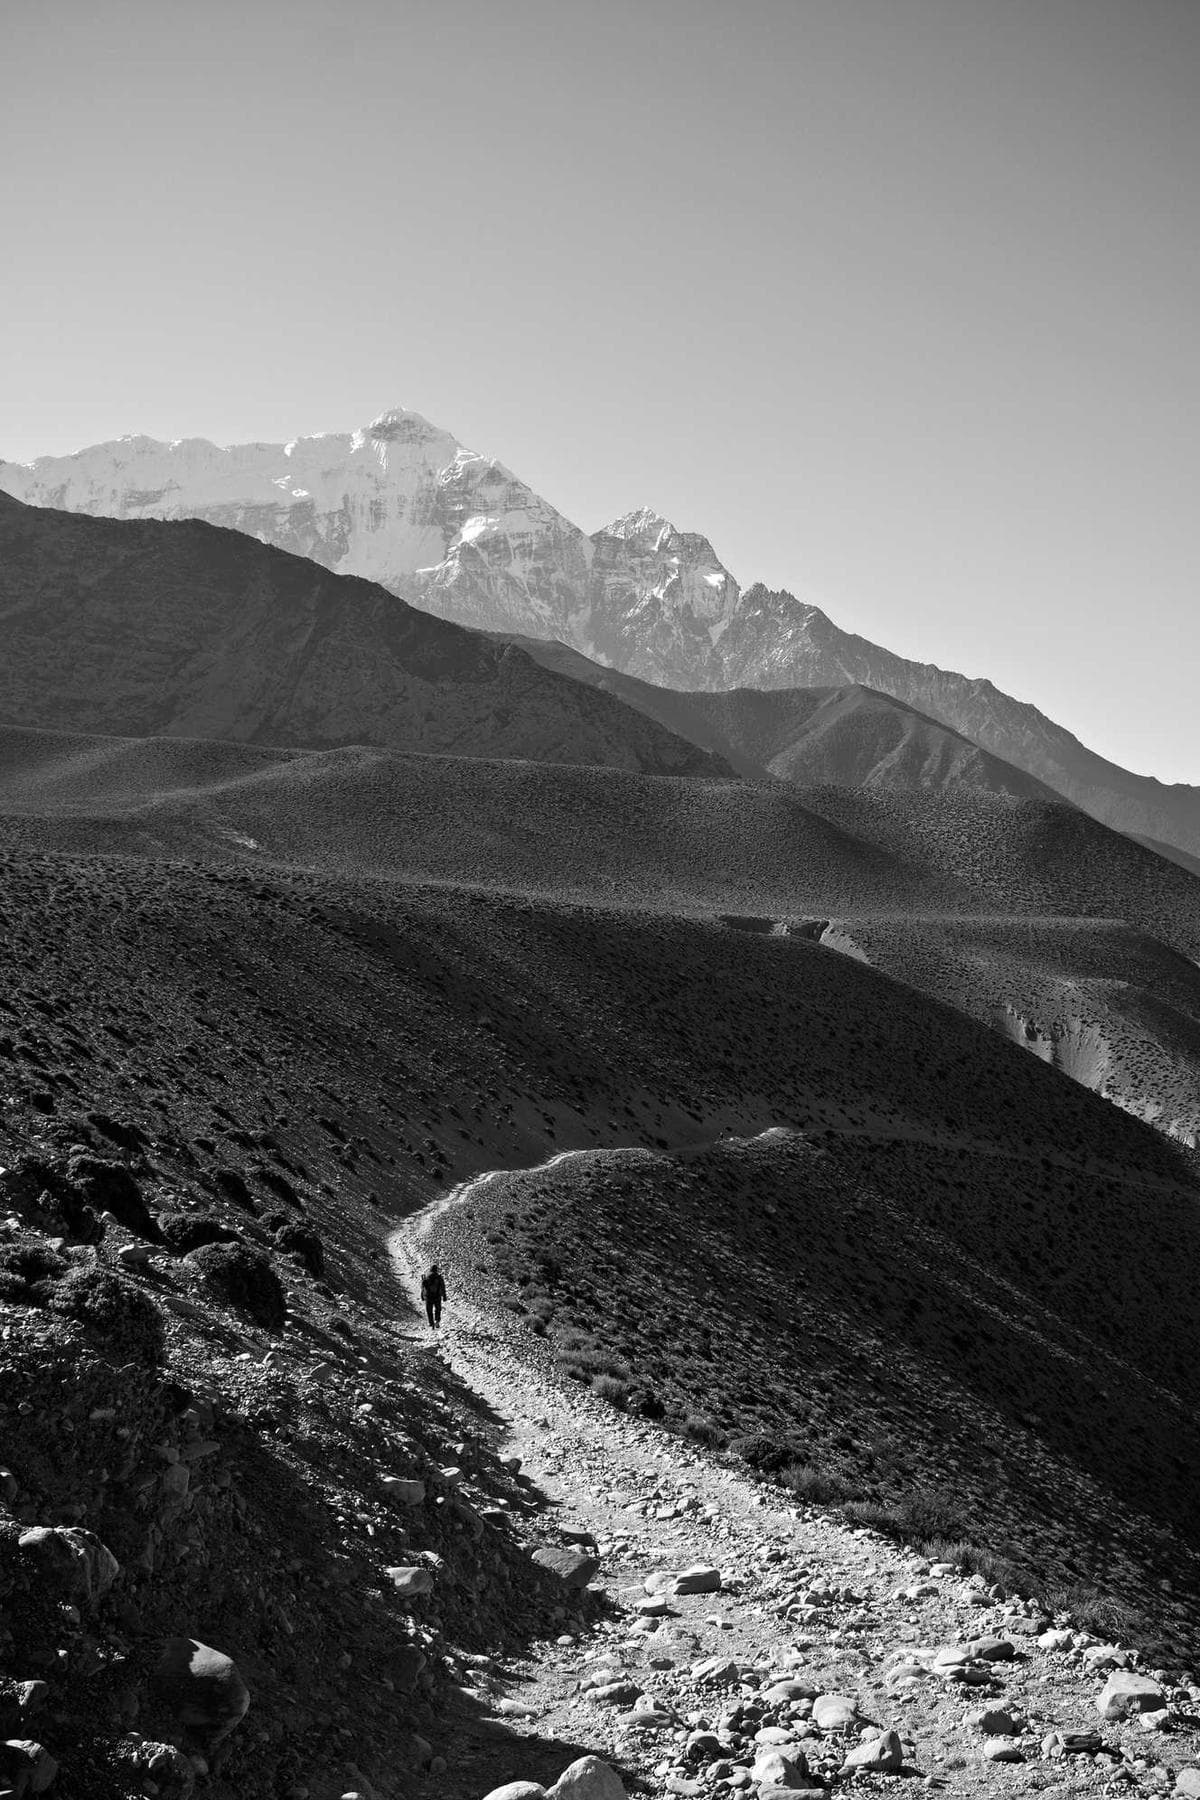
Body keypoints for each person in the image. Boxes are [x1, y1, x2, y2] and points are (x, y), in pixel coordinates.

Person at [420, 1262, 447, 1329]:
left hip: (428, 1296)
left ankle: (431, 1323)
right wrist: (444, 1296)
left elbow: (423, 1287)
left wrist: (422, 1295)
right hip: (437, 1296)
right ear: (436, 1270)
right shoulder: (439, 1277)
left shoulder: (426, 1277)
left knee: (429, 1310)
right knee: (438, 1309)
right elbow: (443, 1287)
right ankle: (437, 1321)